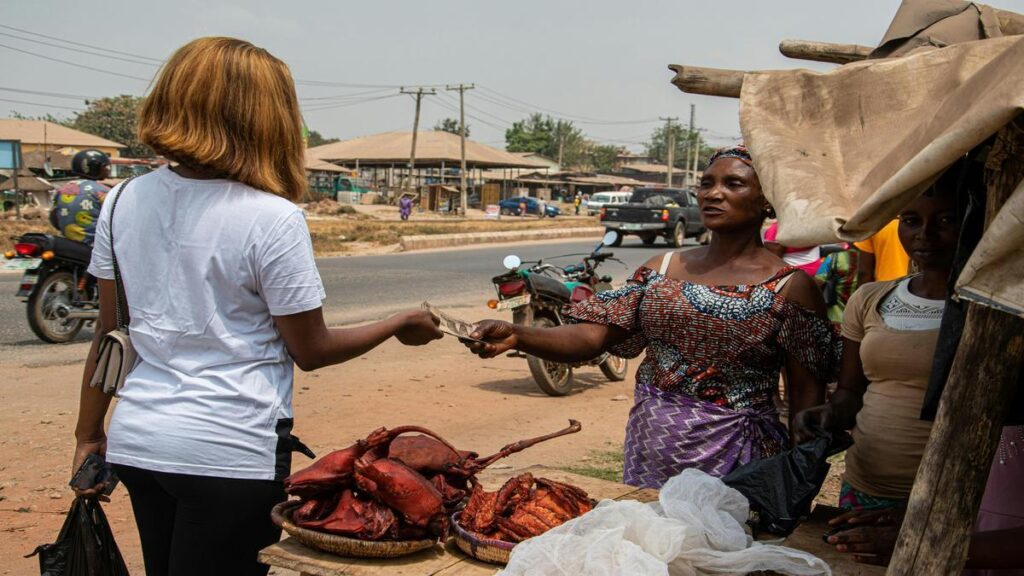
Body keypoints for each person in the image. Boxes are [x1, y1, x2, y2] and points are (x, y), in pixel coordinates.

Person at [71, 37, 442, 576]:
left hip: (140, 444)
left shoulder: (124, 199)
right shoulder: (271, 218)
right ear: (267, 120)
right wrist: (399, 322)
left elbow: (108, 333)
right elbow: (311, 350)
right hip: (229, 452)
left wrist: (88, 436)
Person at [466, 145, 840, 488]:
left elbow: (805, 395)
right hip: (652, 443)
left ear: (768, 201)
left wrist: (796, 479)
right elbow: (590, 339)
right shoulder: (661, 268)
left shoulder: (790, 287)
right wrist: (517, 334)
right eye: (706, 183)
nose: (713, 193)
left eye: (733, 184)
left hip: (737, 455)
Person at [50, 149, 112, 246]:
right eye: (105, 166)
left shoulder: (62, 189)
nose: (107, 170)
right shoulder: (103, 191)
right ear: (94, 167)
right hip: (95, 245)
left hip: (66, 243)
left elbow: (54, 218)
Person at [813, 245, 862, 324]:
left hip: (835, 318)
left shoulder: (834, 257)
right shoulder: (871, 260)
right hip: (860, 319)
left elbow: (818, 282)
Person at [855, 219, 910, 284]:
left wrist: (862, 293)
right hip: (913, 287)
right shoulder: (917, 225)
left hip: (883, 287)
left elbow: (864, 272)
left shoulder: (871, 225)